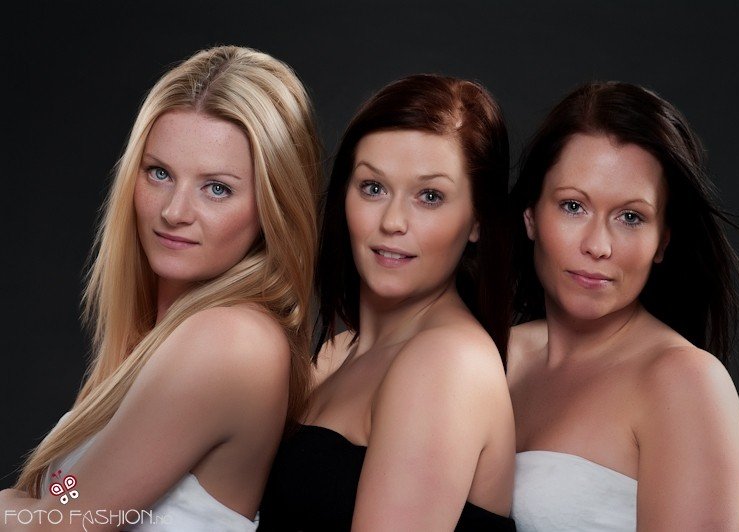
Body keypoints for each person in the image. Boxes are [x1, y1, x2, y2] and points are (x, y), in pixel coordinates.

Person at [0, 45, 321, 531]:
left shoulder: (227, 340)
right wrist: (34, 505)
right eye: (159, 173)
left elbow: (59, 524)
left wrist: (20, 506)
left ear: (273, 206)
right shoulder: (154, 343)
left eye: (217, 188)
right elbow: (68, 493)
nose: (174, 211)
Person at [260, 74, 517, 531]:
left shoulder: (448, 363)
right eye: (373, 188)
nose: (393, 221)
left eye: (430, 196)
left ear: (478, 219)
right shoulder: (334, 353)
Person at [506, 81, 739, 531]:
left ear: (662, 242)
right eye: (573, 206)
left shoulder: (684, 382)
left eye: (631, 217)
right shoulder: (488, 356)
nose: (598, 245)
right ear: (531, 216)